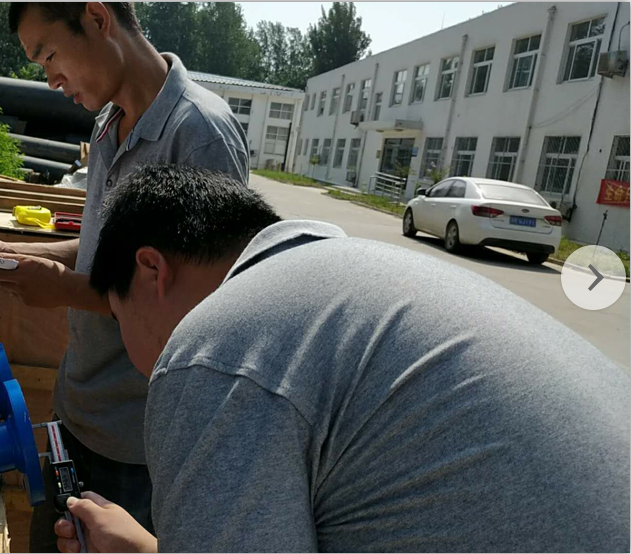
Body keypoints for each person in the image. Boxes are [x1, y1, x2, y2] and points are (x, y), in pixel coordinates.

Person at [52, 164, 630, 552]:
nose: (142, 362)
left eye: (118, 318)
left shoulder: (215, 349)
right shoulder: (358, 280)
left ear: (151, 270)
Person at [0, 4, 249, 550]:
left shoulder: (198, 134)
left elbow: (198, 312)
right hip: (77, 414)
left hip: (137, 447)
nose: (51, 79)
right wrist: (11, 254)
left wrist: (61, 288)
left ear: (96, 17)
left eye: (49, 55)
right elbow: (100, 252)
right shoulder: (108, 124)